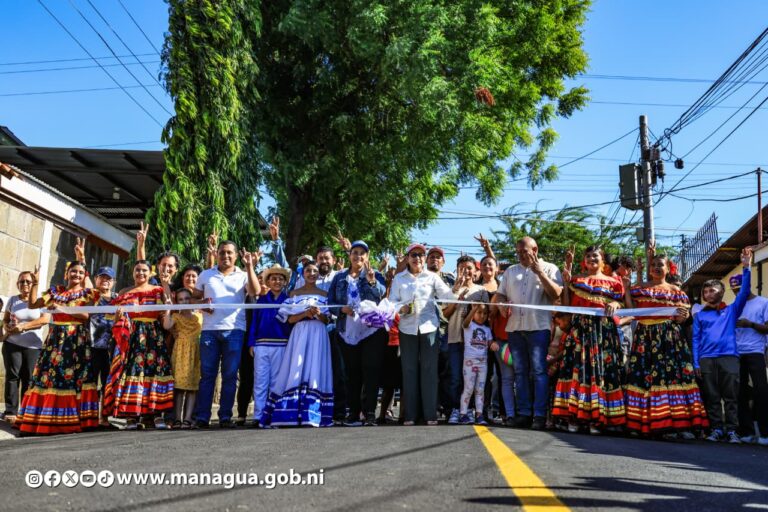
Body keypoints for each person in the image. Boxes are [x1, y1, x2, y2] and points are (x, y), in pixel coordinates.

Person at [624, 253, 705, 439]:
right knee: (643, 378)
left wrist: (683, 317)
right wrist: (627, 289)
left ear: (668, 269)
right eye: (653, 264)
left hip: (669, 339)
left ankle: (676, 424)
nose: (656, 268)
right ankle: (641, 424)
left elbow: (684, 317)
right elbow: (631, 310)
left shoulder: (676, 291)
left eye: (660, 265)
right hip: (644, 338)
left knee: (671, 378)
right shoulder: (639, 289)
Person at [16, 262, 100, 435]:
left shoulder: (87, 293)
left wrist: (62, 308)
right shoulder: (56, 292)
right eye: (74, 271)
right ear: (67, 273)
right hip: (55, 339)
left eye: (81, 272)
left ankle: (71, 419)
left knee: (73, 377)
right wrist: (35, 283)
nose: (77, 275)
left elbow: (85, 315)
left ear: (84, 275)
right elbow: (32, 304)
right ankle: (43, 418)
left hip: (75, 339)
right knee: (49, 376)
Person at [553, 245, 626, 434]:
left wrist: (615, 304)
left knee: (600, 373)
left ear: (603, 260)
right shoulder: (577, 280)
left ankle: (597, 419)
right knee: (578, 372)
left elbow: (622, 303)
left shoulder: (614, 282)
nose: (592, 259)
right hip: (580, 332)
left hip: (603, 333)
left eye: (595, 256)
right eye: (588, 256)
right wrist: (566, 282)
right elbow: (567, 306)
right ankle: (575, 418)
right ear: (584, 261)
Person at [192, 241, 261, 428]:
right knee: (207, 375)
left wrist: (249, 266)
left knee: (230, 376)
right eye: (222, 252)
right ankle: (202, 417)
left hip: (235, 331)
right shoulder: (206, 274)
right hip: (209, 330)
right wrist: (202, 302)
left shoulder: (243, 275)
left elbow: (255, 291)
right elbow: (194, 297)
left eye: (230, 253)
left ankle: (225, 417)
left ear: (236, 256)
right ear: (217, 254)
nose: (226, 256)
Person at [496, 236, 563, 429]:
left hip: (538, 328)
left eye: (524, 252)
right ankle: (524, 414)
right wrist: (501, 305)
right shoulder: (511, 271)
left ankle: (539, 416)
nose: (520, 255)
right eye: (518, 252)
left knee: (539, 371)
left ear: (535, 250)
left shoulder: (550, 268)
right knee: (520, 372)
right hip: (515, 328)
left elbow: (556, 294)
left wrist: (540, 272)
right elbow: (500, 294)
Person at [389, 243, 457, 425]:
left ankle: (430, 415)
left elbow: (447, 296)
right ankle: (410, 415)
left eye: (420, 255)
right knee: (409, 370)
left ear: (424, 259)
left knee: (429, 370)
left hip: (429, 328)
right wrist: (401, 307)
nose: (417, 258)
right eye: (413, 254)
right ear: (407, 258)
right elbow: (391, 302)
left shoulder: (432, 277)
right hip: (406, 328)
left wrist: (458, 289)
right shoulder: (399, 278)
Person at [102, 261, 174, 430]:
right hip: (131, 336)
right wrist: (118, 317)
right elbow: (111, 316)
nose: (141, 273)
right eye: (137, 270)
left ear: (150, 273)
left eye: (144, 270)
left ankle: (156, 415)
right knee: (131, 373)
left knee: (154, 371)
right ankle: (131, 417)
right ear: (133, 273)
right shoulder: (124, 292)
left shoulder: (158, 290)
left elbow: (168, 305)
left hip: (153, 337)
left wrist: (165, 284)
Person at [262, 261, 334, 427]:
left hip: (318, 334)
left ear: (318, 274)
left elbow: (327, 320)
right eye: (308, 270)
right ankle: (290, 413)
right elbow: (289, 319)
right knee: (296, 367)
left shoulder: (325, 294)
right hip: (300, 333)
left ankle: (312, 413)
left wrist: (317, 314)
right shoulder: (294, 294)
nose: (311, 274)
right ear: (303, 273)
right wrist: (305, 313)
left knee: (315, 368)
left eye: (315, 271)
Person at [693, 248, 752, 444]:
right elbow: (695, 339)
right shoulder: (700, 315)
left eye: (712, 290)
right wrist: (696, 363)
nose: (708, 293)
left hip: (729, 357)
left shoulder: (732, 310)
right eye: (705, 291)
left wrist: (746, 266)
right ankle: (716, 429)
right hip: (706, 360)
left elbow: (744, 292)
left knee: (731, 396)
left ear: (722, 292)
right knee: (712, 396)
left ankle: (732, 431)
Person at [327, 240, 387, 426]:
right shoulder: (339, 277)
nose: (358, 256)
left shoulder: (375, 274)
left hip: (371, 330)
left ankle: (369, 413)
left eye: (362, 253)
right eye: (355, 252)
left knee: (371, 370)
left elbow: (380, 294)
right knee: (351, 373)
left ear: (367, 257)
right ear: (349, 255)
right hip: (347, 331)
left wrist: (371, 281)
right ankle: (353, 413)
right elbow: (330, 302)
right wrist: (341, 309)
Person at [444, 256, 488, 424]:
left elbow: (486, 316)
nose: (466, 271)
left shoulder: (481, 290)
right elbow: (445, 314)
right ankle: (455, 409)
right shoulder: (451, 290)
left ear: (475, 270)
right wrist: (457, 299)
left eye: (469, 268)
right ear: (457, 270)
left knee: (473, 380)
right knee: (455, 377)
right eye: (462, 268)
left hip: (475, 344)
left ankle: (469, 410)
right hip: (455, 339)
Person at [1, 271, 50, 424]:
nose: (25, 284)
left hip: (33, 347)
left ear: (33, 283)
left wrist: (23, 327)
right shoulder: (13, 300)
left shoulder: (40, 300)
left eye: (28, 281)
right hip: (12, 344)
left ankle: (25, 411)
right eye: (21, 281)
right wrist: (7, 326)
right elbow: (6, 319)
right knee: (12, 377)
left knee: (29, 379)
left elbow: (44, 320)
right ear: (17, 284)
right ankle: (11, 411)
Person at [247, 264, 291, 428]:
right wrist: (251, 342)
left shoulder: (288, 300)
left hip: (281, 344)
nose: (277, 281)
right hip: (261, 344)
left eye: (280, 279)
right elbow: (254, 323)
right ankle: (258, 415)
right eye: (273, 278)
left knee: (276, 381)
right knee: (260, 381)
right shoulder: (261, 300)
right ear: (268, 281)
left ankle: (273, 414)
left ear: (285, 282)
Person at [730, 273, 768, 445]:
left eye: (739, 289)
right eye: (734, 290)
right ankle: (747, 431)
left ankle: (765, 433)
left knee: (761, 391)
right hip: (737, 353)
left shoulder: (763, 302)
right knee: (740, 392)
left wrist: (750, 324)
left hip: (756, 352)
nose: (737, 293)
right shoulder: (734, 306)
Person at [163, 288, 202, 429]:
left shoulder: (199, 316)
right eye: (180, 299)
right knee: (179, 387)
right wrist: (168, 309)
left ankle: (187, 418)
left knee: (192, 387)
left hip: (195, 352)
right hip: (180, 352)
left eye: (187, 298)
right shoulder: (176, 316)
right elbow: (166, 325)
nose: (184, 301)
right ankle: (177, 418)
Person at [458, 304, 497, 425]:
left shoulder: (487, 329)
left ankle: (479, 415)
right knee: (468, 388)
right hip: (469, 362)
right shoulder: (469, 325)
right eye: (479, 312)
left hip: (483, 363)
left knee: (480, 390)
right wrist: (473, 308)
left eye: (485, 313)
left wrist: (493, 344)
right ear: (473, 313)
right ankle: (463, 413)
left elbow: (490, 342)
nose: (482, 316)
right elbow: (465, 323)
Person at [89, 266, 117, 427]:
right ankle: (89, 417)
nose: (105, 280)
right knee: (90, 383)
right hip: (91, 346)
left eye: (109, 278)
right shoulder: (90, 296)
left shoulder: (118, 298)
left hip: (111, 348)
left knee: (108, 384)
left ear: (114, 282)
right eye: (102, 277)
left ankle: (104, 418)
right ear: (96, 279)